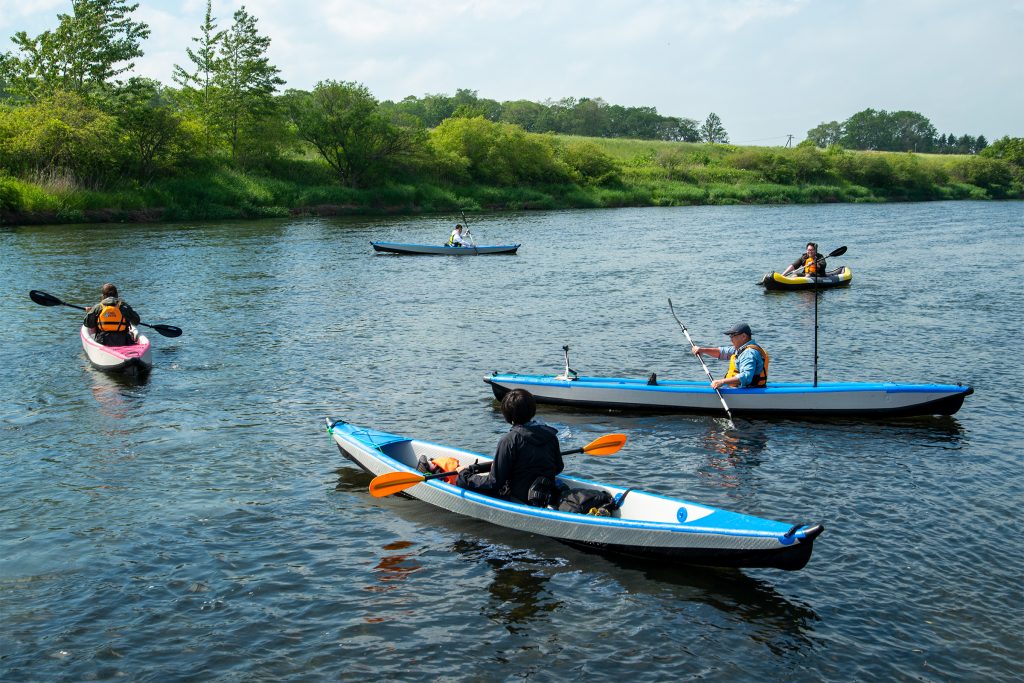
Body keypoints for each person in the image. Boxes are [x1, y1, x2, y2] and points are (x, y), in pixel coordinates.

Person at [456, 388, 564, 506]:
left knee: (462, 482)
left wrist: (465, 475)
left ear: (508, 415)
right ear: (533, 410)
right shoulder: (550, 435)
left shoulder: (508, 440)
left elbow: (493, 483)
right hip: (543, 495)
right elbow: (558, 467)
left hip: (517, 499)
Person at [691, 323, 769, 389]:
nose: (731, 339)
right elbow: (721, 352)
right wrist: (702, 350)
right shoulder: (741, 349)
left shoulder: (748, 353)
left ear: (744, 336)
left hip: (749, 391)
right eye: (730, 336)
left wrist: (722, 382)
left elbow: (746, 377)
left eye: (733, 335)